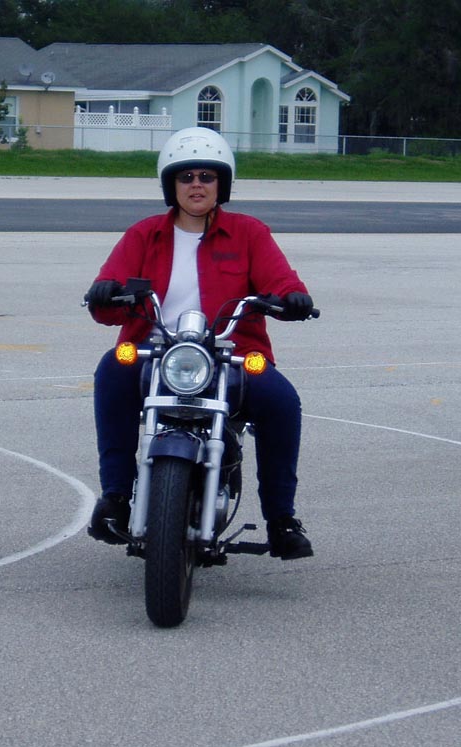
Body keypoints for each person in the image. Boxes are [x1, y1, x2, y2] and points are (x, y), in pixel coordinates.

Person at [84, 127, 316, 560]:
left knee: (282, 401)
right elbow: (108, 293)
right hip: (156, 353)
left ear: (221, 184)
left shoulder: (249, 233)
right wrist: (105, 290)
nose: (196, 185)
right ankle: (114, 497)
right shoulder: (144, 234)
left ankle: (281, 519)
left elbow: (281, 279)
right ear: (170, 185)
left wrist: (293, 298)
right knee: (113, 368)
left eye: (207, 177)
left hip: (233, 356)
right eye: (186, 176)